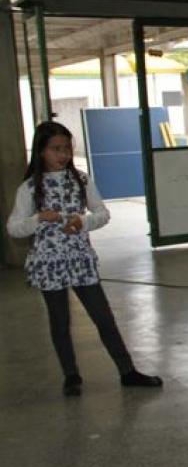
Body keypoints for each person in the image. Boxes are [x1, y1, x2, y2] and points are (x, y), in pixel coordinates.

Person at [6, 121, 162, 397]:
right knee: (60, 321)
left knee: (103, 317)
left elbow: (102, 213)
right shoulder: (29, 188)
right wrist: (38, 218)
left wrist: (82, 222)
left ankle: (127, 371)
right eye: (56, 149)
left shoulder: (81, 179)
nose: (63, 155)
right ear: (41, 151)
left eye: (67, 148)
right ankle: (71, 375)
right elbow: (14, 227)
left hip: (80, 260)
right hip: (48, 264)